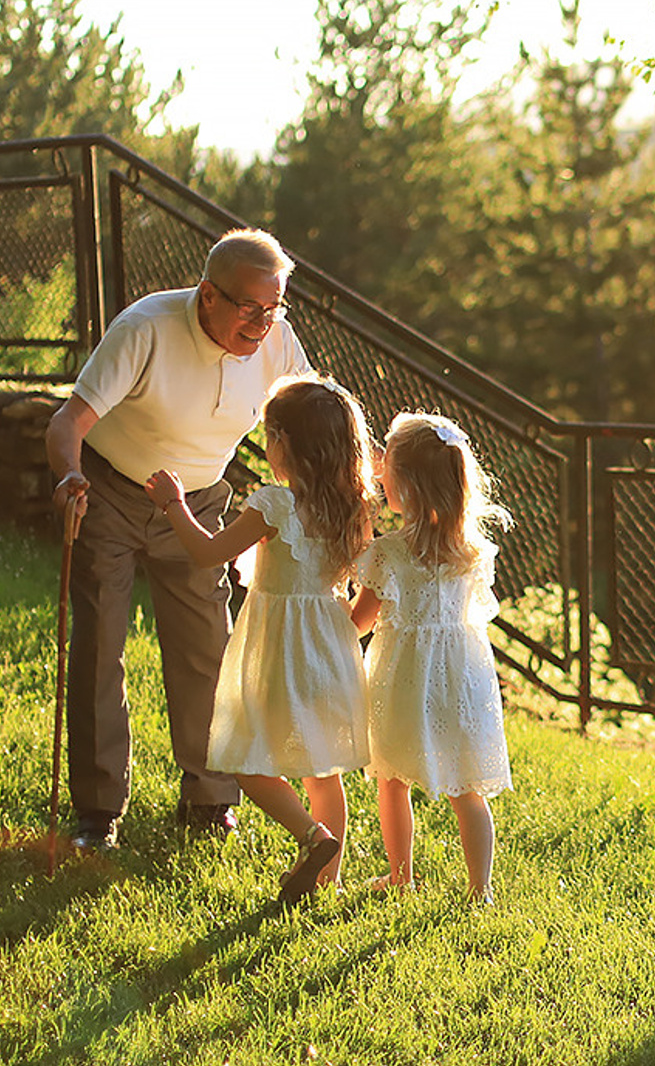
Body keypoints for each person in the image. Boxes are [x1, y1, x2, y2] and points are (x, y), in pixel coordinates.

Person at [45, 228, 310, 851]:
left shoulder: (276, 339)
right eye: (249, 307)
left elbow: (314, 420)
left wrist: (367, 475)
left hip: (199, 499)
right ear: (208, 295)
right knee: (100, 643)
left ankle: (210, 799)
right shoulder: (147, 328)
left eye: (274, 308)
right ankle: (97, 813)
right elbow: (68, 421)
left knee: (206, 648)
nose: (262, 323)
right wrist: (68, 479)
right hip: (110, 490)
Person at [145, 375, 378, 903]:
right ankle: (328, 880)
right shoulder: (353, 508)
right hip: (330, 646)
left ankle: (311, 835)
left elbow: (207, 553)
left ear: (285, 444)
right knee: (323, 769)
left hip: (281, 649)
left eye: (271, 434)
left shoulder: (274, 504)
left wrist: (174, 504)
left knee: (244, 761)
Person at [350, 412, 513, 900]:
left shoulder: (390, 553)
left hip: (405, 678)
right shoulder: (474, 552)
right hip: (462, 679)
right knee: (468, 789)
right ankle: (480, 888)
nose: (380, 473)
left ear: (409, 484)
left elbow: (359, 622)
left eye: (388, 468)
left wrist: (331, 605)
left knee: (392, 780)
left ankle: (401, 877)